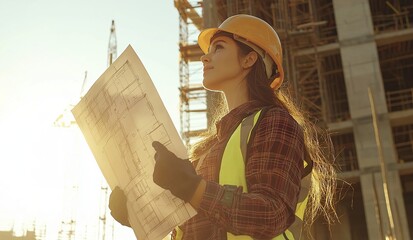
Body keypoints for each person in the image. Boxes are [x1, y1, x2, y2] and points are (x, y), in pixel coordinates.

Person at [109, 14, 337, 240]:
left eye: (218, 48)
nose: (205, 58)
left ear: (249, 59)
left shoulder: (275, 122)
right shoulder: (209, 147)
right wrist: (140, 216)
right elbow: (197, 227)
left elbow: (270, 215)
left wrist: (192, 187)